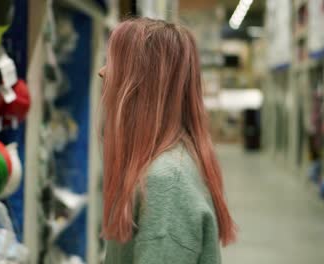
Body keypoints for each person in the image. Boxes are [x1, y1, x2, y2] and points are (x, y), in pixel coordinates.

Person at [99, 18, 236, 264]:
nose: (103, 72)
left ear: (141, 86)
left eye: (114, 63)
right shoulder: (167, 166)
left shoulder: (165, 183)